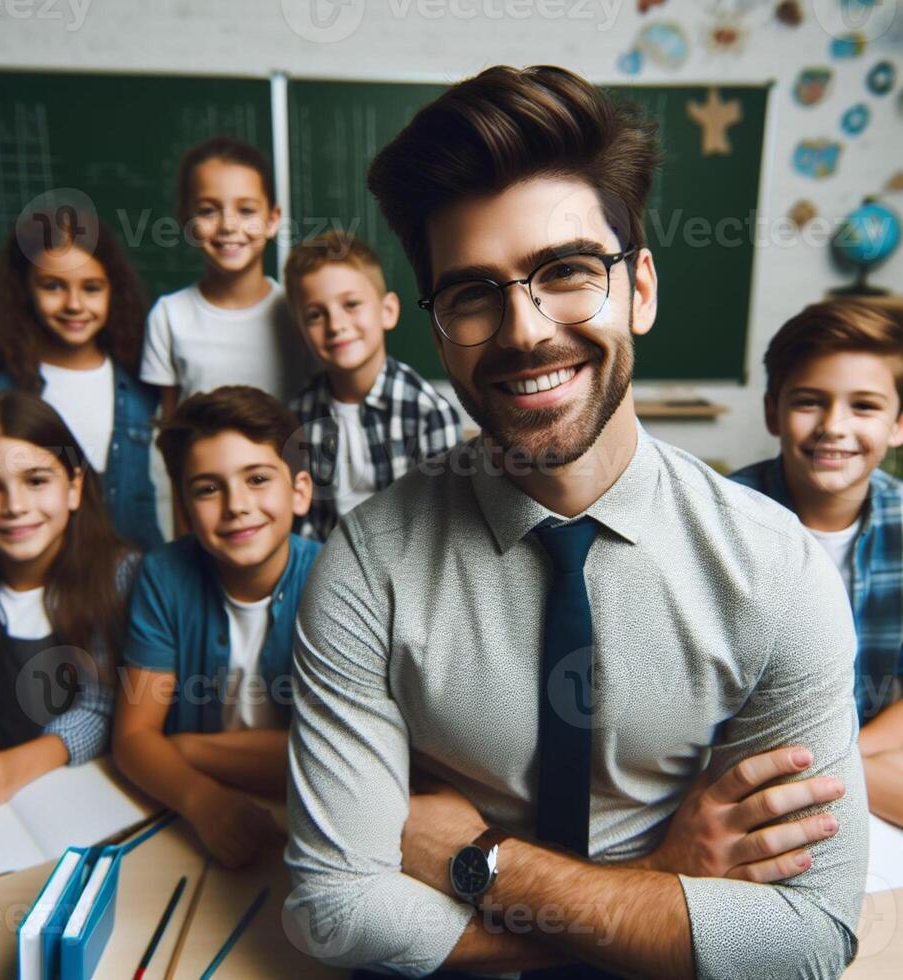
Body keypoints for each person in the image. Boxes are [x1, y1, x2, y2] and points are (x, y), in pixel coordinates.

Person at [284, 65, 867, 979]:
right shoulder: (366, 567)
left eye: (564, 272)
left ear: (639, 288)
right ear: (438, 331)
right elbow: (337, 911)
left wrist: (486, 864)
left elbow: (806, 939)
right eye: (473, 292)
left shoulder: (776, 573)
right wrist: (656, 895)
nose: (523, 331)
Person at [112, 386, 320, 868]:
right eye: (208, 488)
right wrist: (203, 802)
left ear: (300, 491)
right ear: (185, 509)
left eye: (257, 479)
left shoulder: (335, 579)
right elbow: (132, 739)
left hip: (307, 817)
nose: (236, 505)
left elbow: (323, 755)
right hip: (187, 807)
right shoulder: (164, 574)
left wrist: (185, 748)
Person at [731, 300, 903, 827]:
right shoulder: (723, 522)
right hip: (747, 769)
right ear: (772, 411)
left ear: (899, 424)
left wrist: (846, 759)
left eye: (865, 407)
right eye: (809, 402)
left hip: (862, 754)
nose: (834, 426)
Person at [0, 391, 133, 806]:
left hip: (93, 795)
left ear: (74, 488)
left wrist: (14, 768)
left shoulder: (121, 577)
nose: (15, 507)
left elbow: (104, 707)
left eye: (36, 481)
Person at [0, 207, 162, 551]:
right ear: (24, 291)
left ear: (112, 292)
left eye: (91, 288)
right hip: (44, 582)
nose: (74, 304)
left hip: (135, 580)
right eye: (53, 286)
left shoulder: (140, 386)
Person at [284, 231, 461, 541]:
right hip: (324, 568)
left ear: (387, 311)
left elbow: (438, 527)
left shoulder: (427, 413)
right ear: (300, 334)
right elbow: (304, 525)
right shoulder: (299, 415)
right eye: (315, 315)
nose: (335, 324)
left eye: (351, 304)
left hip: (403, 571)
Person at [139, 136, 312, 415]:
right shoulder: (169, 316)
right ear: (185, 220)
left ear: (272, 220)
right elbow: (166, 427)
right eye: (208, 211)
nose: (228, 226)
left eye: (246, 211)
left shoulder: (300, 312)